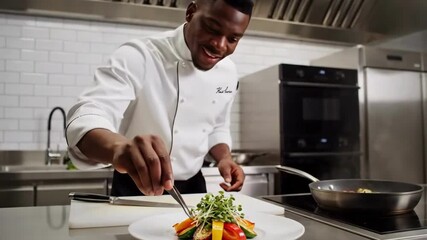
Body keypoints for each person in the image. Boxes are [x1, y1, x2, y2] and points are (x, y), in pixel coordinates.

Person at [65, 0, 254, 196]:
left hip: (194, 188)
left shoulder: (228, 72)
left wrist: (225, 158)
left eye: (233, 39)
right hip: (137, 184)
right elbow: (89, 114)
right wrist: (119, 149)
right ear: (190, 13)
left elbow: (217, 126)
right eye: (211, 29)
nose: (220, 45)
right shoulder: (139, 55)